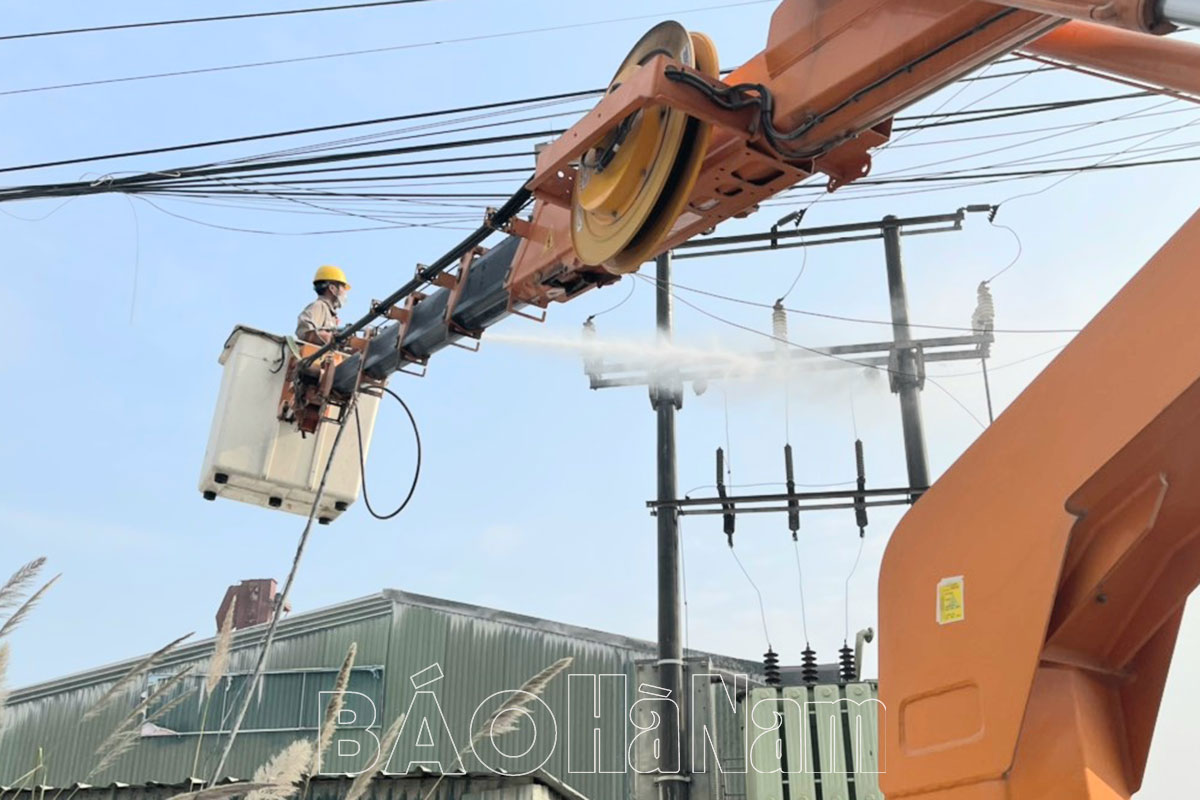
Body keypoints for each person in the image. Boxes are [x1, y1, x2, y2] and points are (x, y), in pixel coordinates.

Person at [296, 265, 351, 345]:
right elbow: (303, 331)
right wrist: (329, 337)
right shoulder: (319, 306)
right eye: (343, 287)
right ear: (332, 288)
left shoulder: (331, 315)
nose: (345, 292)